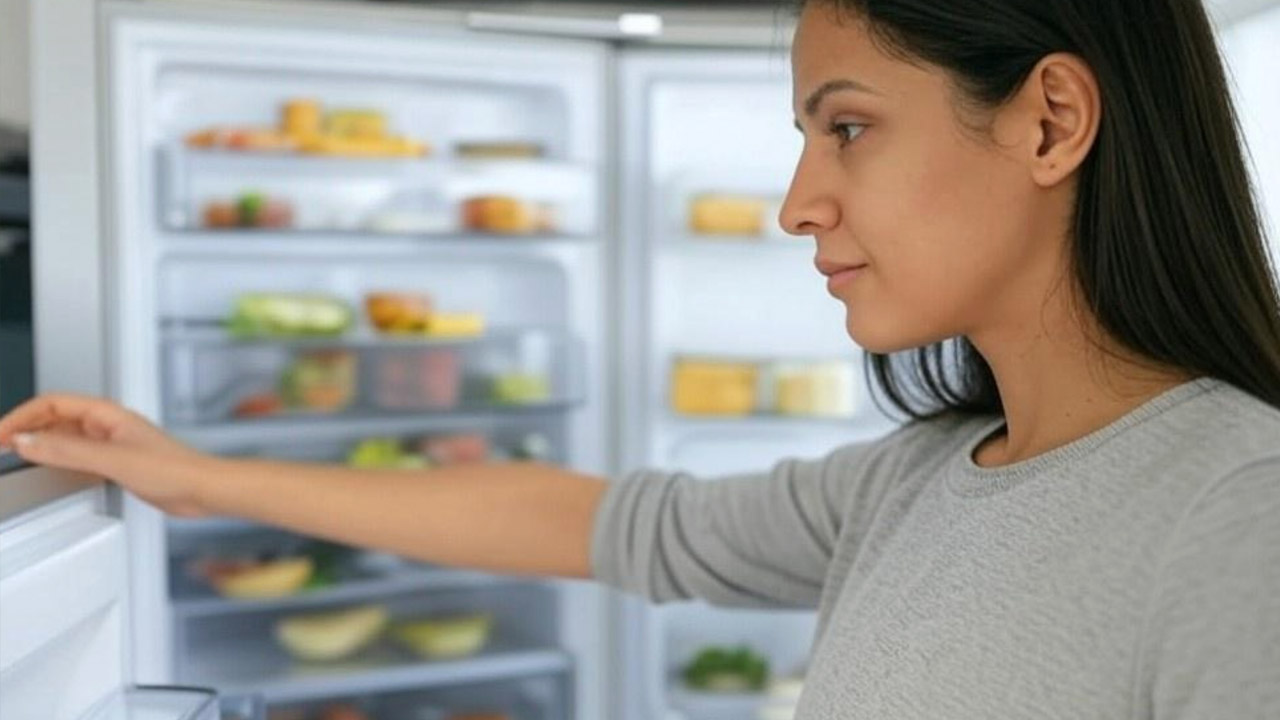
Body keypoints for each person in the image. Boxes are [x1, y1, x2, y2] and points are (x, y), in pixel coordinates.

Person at [3, 0, 1279, 716]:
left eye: (846, 127)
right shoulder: (917, 483)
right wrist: (201, 476)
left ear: (1049, 120)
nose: (797, 202)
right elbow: (600, 522)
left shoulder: (1238, 511)